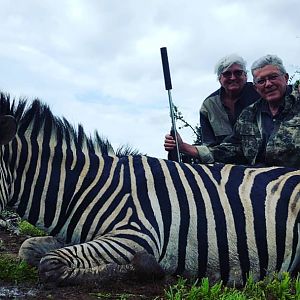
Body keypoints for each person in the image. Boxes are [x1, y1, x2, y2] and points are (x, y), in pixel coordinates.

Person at [165, 54, 300, 168]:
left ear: (286, 78)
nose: (268, 84)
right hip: (260, 185)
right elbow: (232, 148)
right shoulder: (248, 115)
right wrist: (185, 147)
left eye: (273, 77)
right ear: (256, 86)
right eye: (261, 81)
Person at [200, 54, 260, 146]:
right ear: (220, 78)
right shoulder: (209, 105)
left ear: (245, 76)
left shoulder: (260, 93)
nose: (233, 77)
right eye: (227, 74)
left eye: (238, 73)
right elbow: (208, 144)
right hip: (223, 158)